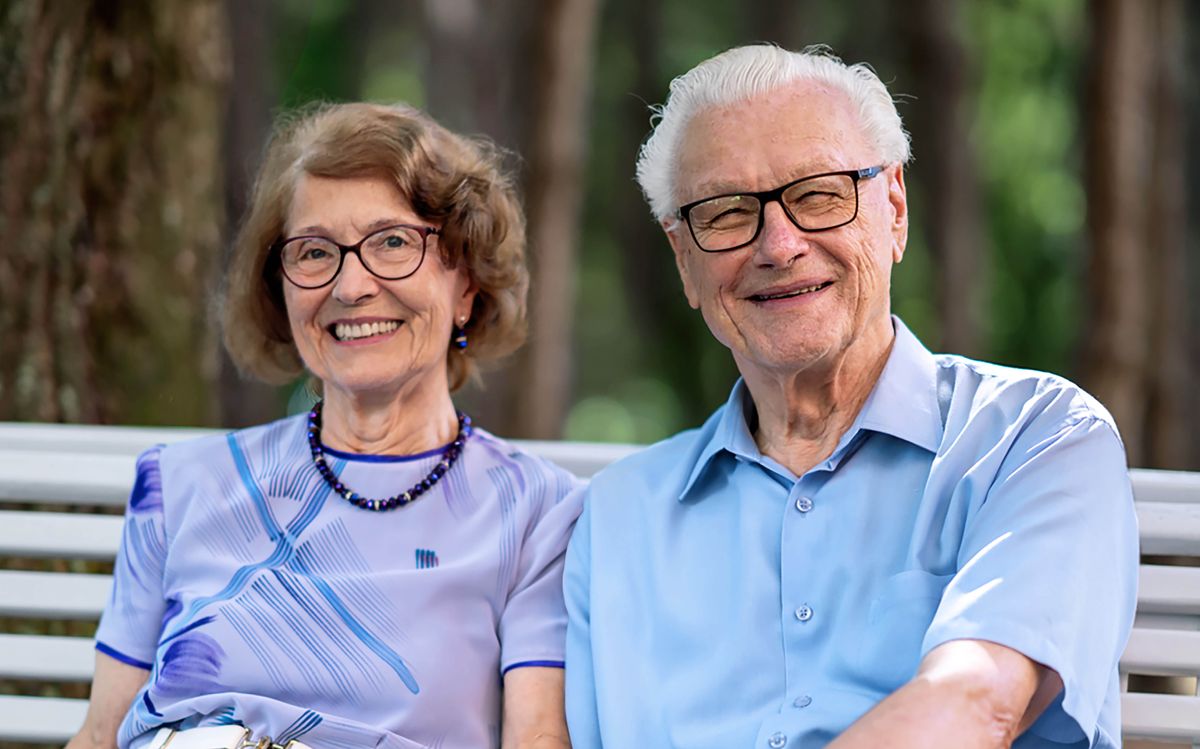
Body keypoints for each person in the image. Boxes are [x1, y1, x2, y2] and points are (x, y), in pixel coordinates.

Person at [564, 45, 1138, 749]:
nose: (778, 244)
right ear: (684, 259)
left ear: (893, 209)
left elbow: (975, 705)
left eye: (819, 194)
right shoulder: (618, 515)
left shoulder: (1036, 438)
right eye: (724, 211)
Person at [67, 102, 579, 749]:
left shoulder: (537, 512)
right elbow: (97, 736)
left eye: (392, 241)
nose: (350, 284)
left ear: (467, 283)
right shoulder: (180, 485)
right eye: (314, 252)